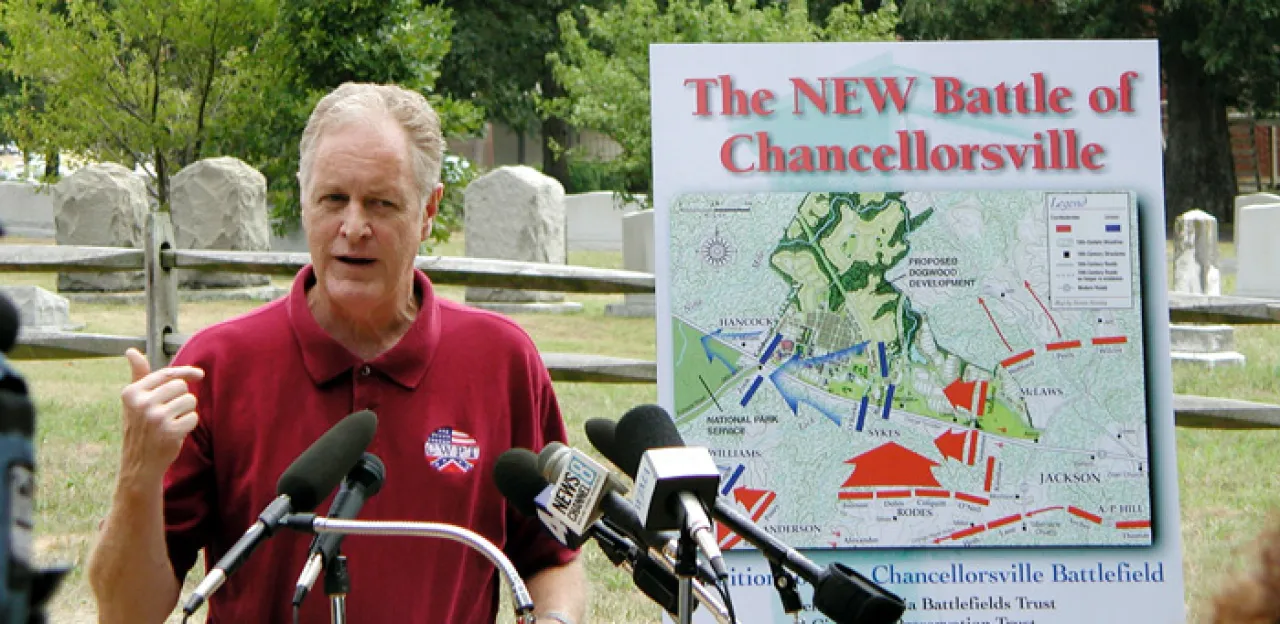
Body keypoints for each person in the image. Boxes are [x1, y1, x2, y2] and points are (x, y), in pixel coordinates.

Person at [86, 83, 586, 623]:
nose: (353, 228)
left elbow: (554, 557)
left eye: (381, 203)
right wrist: (137, 474)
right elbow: (126, 613)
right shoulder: (218, 365)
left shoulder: (502, 361)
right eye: (333, 199)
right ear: (304, 198)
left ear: (428, 210)